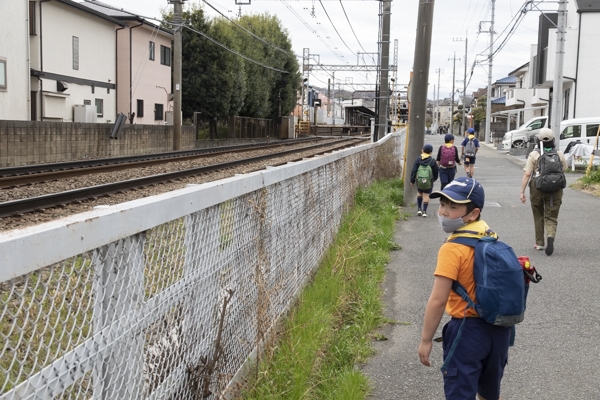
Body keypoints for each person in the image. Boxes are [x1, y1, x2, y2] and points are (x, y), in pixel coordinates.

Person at [418, 177, 511, 400]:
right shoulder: (491, 238)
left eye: (453, 207)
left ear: (473, 213)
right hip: (499, 331)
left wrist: (426, 340)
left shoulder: (453, 248)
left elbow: (438, 300)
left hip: (467, 331)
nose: (443, 212)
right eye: (442, 205)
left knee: (460, 392)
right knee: (488, 392)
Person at [519, 128, 568, 255]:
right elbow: (564, 169)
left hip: (537, 186)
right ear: (553, 140)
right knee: (551, 216)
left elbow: (527, 174)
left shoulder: (534, 155)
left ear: (538, 140)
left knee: (538, 214)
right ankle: (550, 237)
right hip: (555, 187)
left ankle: (540, 243)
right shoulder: (559, 153)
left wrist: (522, 192)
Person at [410, 143, 439, 218]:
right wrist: (434, 179)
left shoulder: (418, 159)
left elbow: (414, 170)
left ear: (422, 150)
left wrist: (412, 180)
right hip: (429, 181)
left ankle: (419, 209)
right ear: (431, 152)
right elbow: (436, 171)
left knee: (420, 193)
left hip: (419, 181)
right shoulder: (432, 161)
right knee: (426, 195)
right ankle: (424, 211)